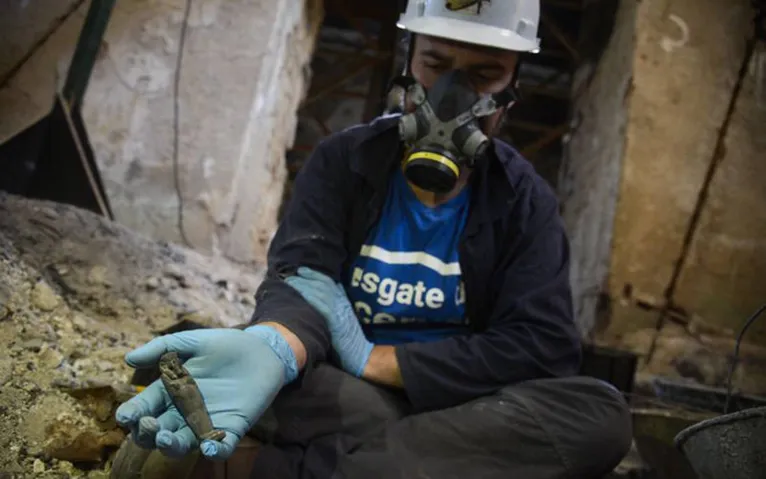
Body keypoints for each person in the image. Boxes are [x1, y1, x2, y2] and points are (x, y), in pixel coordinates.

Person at [115, 1, 633, 477]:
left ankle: (285, 469)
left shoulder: (524, 199)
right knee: (246, 377)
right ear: (407, 59)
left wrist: (377, 359)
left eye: (485, 75)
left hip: (461, 400)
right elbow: (301, 279)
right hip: (348, 392)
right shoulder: (344, 160)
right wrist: (275, 345)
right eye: (435, 64)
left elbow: (541, 346)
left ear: (513, 85)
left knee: (599, 416)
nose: (451, 96)